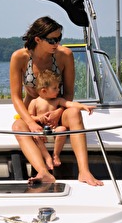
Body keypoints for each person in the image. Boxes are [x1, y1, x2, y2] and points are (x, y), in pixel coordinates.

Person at [10, 16, 102, 186]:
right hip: (34, 112)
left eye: (59, 38)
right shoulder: (20, 57)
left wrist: (58, 112)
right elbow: (15, 96)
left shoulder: (65, 55)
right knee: (17, 126)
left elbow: (68, 93)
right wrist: (31, 122)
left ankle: (84, 171)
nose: (57, 43)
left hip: (57, 106)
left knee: (73, 113)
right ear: (37, 39)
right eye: (52, 40)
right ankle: (44, 172)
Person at [26, 69, 96, 170]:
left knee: (62, 129)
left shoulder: (58, 100)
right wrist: (39, 118)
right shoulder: (34, 102)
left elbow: (70, 104)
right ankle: (47, 157)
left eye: (58, 87)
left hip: (55, 129)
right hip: (41, 130)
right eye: (55, 88)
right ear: (44, 90)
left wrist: (83, 107)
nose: (58, 90)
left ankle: (55, 154)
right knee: (36, 136)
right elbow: (30, 117)